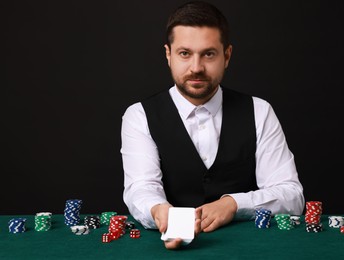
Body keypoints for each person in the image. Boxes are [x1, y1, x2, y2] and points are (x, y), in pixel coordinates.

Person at [121, 1, 304, 249]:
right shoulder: (139, 115)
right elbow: (141, 188)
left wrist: (233, 204)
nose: (196, 68)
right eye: (185, 53)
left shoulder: (259, 111)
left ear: (226, 56)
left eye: (208, 54)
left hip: (249, 249)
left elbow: (291, 195)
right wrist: (162, 213)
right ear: (168, 55)